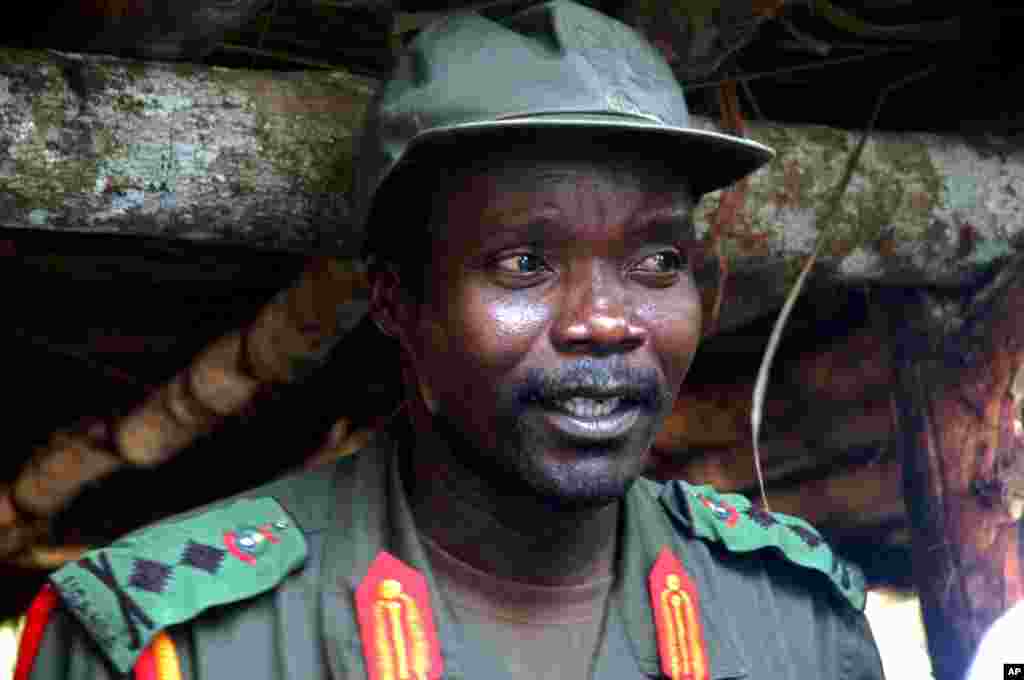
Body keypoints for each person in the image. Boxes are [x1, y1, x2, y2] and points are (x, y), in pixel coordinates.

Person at [17, 2, 885, 679]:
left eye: (657, 258)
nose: (607, 320)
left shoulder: (797, 620)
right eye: (523, 262)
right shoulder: (170, 645)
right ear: (396, 301)